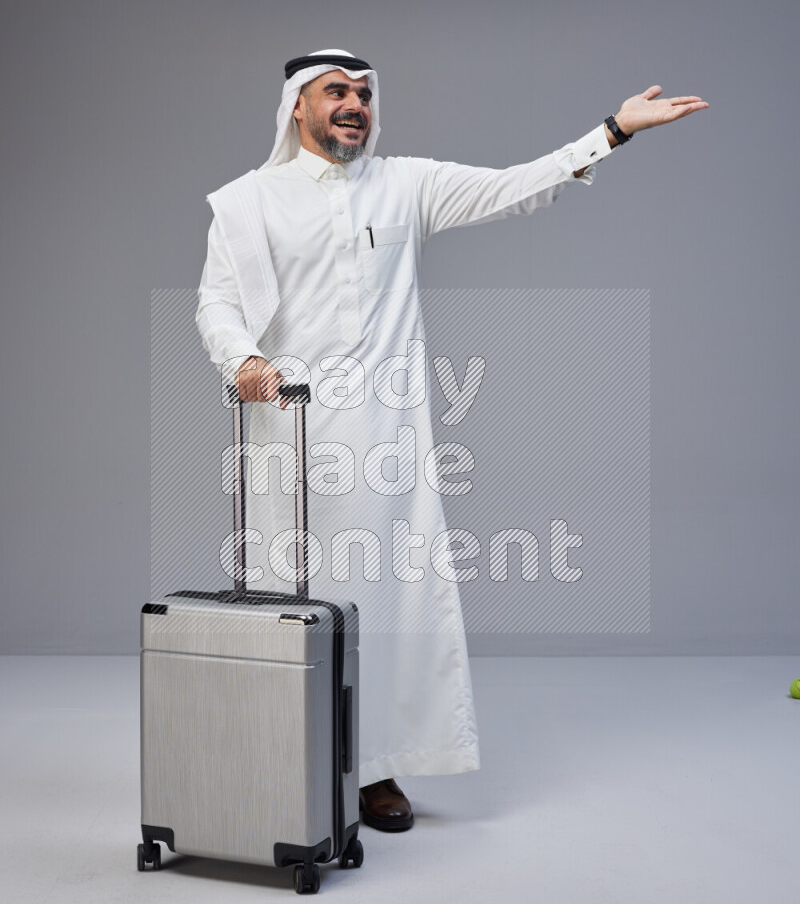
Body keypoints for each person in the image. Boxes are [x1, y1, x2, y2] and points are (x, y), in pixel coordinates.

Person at [196, 48, 707, 832]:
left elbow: (512, 187)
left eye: (364, 93)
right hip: (289, 443)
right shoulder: (247, 201)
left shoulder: (404, 185)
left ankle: (376, 770)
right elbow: (217, 303)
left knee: (388, 603)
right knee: (290, 600)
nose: (355, 104)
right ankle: (285, 760)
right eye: (337, 92)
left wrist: (612, 131)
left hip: (385, 442)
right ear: (298, 105)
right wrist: (244, 359)